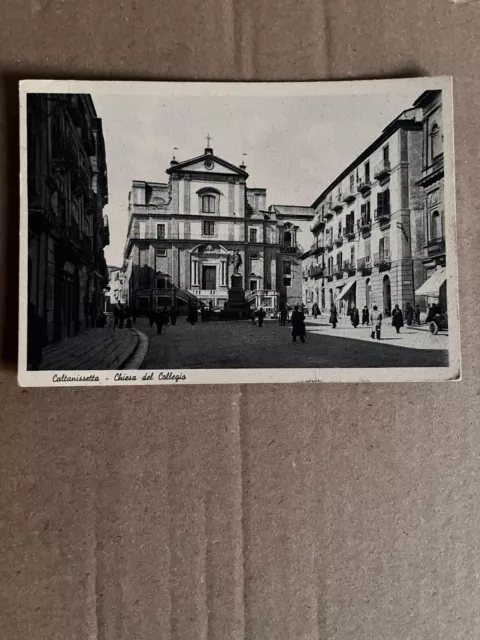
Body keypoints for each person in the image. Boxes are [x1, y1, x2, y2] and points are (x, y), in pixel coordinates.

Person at [27, 302, 44, 370]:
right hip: (36, 343)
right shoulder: (39, 318)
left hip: (30, 342)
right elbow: (43, 332)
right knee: (35, 362)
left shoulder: (27, 318)